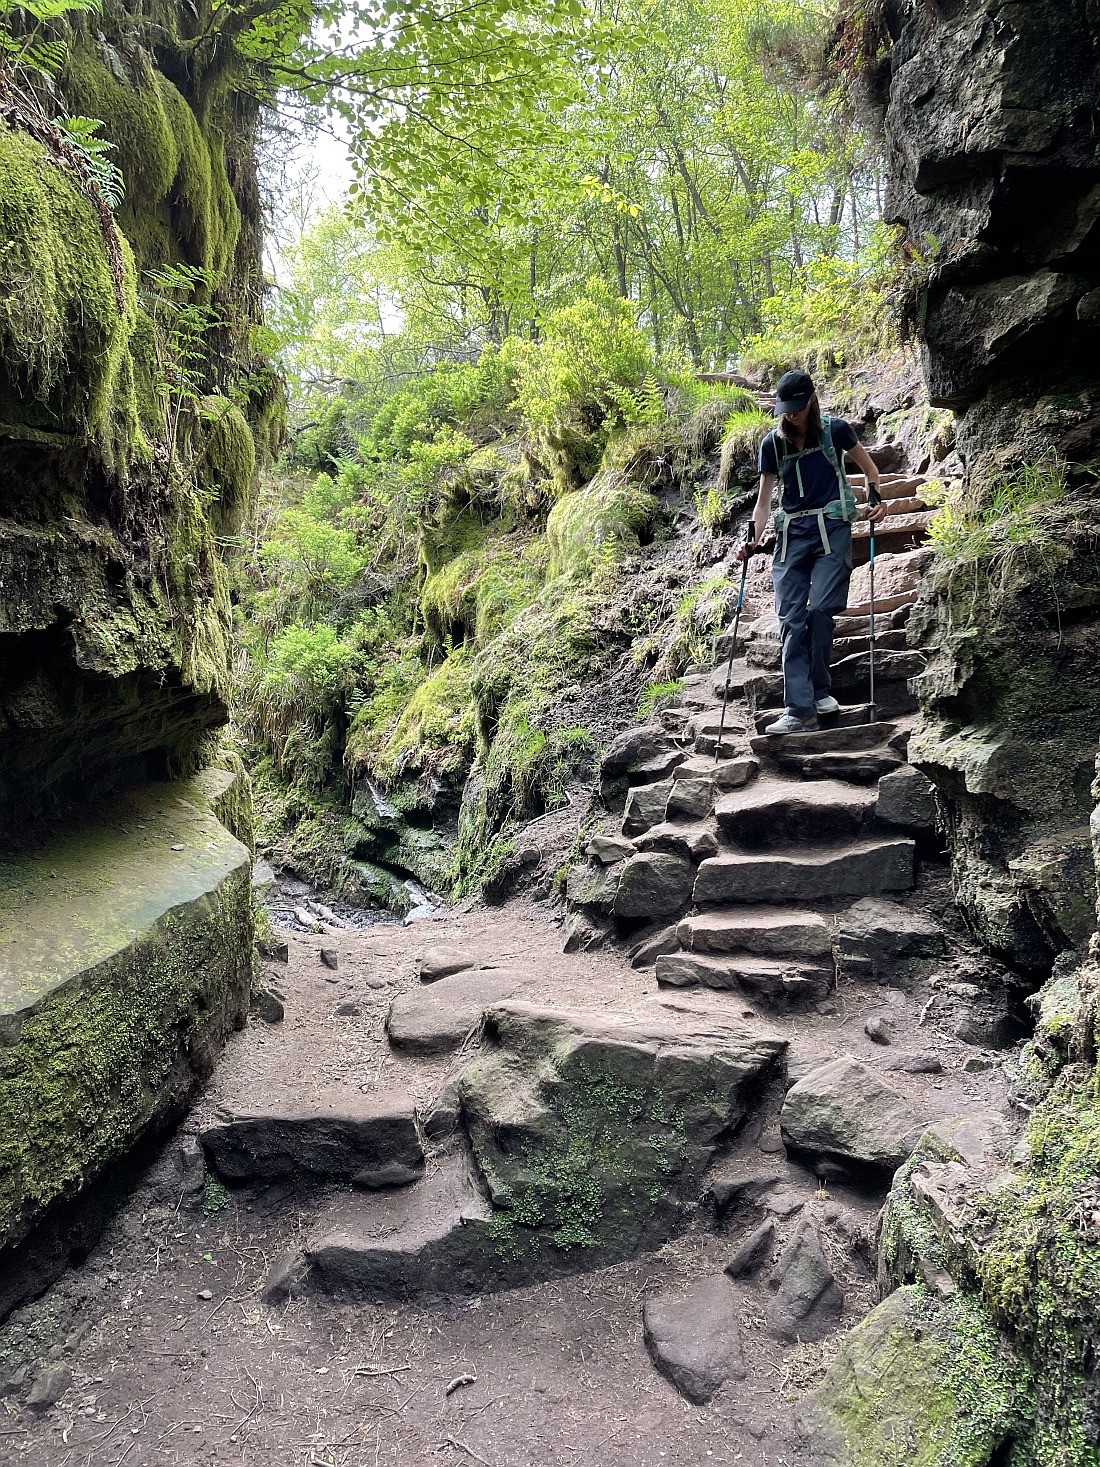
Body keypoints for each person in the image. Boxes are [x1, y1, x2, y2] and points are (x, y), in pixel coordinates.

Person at [737, 368, 887, 735]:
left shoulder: (835, 430)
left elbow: (869, 470)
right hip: (791, 535)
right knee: (790, 619)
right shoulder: (772, 444)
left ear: (811, 400)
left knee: (820, 610)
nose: (791, 415)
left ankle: (820, 690)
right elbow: (763, 502)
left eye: (797, 408)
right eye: (785, 409)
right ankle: (799, 709)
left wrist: (876, 497)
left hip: (833, 528)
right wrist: (752, 538)